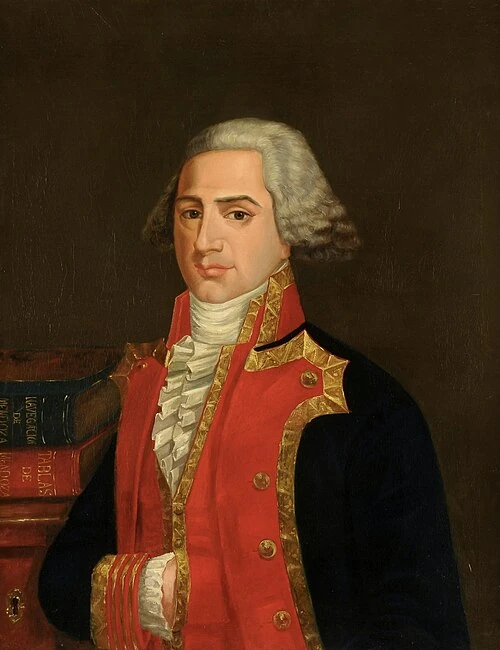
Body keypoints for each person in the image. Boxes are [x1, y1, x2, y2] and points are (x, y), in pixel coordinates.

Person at [39, 118, 469, 649]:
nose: (205, 241)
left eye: (237, 214)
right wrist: (151, 589)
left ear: (288, 233)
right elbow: (61, 583)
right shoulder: (150, 386)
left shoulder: (359, 401)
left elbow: (422, 624)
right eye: (191, 213)